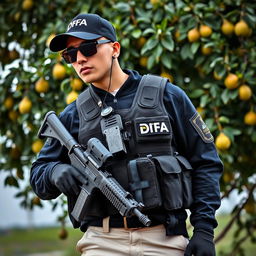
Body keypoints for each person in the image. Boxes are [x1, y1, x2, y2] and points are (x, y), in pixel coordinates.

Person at [30, 13, 223, 256]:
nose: (79, 59)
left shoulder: (167, 96)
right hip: (102, 240)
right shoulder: (72, 115)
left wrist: (204, 230)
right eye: (70, 54)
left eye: (88, 48)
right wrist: (54, 172)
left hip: (164, 238)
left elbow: (206, 162)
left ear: (115, 48)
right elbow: (38, 173)